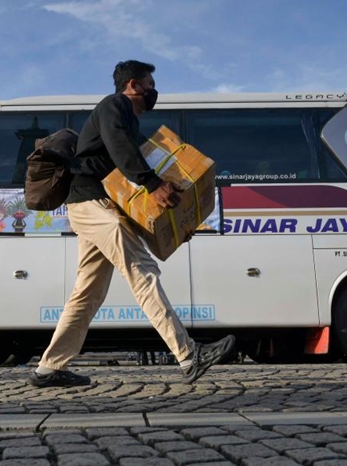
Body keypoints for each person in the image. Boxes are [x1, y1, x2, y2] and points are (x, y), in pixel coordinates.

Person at [28, 60, 236, 388]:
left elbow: (130, 188)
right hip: (91, 204)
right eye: (149, 84)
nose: (154, 91)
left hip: (95, 206)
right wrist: (152, 183)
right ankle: (187, 355)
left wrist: (177, 225)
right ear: (133, 85)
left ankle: (48, 369)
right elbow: (119, 147)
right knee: (142, 271)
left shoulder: (129, 121)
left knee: (87, 293)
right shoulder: (115, 105)